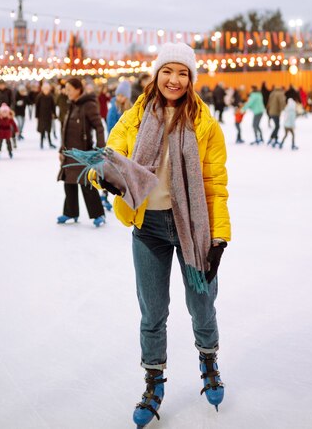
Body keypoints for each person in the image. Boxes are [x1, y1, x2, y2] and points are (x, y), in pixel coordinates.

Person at [91, 42, 230, 427]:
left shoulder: (205, 124)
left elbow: (215, 185)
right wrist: (105, 176)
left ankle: (208, 360)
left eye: (183, 73)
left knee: (202, 305)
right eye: (168, 71)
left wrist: (219, 237)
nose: (174, 79)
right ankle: (154, 381)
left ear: (191, 79)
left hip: (192, 227)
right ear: (156, 74)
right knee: (153, 313)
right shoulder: (134, 117)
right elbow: (110, 154)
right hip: (148, 228)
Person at [57, 78, 106, 227]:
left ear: (78, 89)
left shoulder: (88, 105)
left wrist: (99, 149)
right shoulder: (72, 104)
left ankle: (98, 214)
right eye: (66, 89)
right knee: (69, 184)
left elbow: (99, 127)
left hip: (84, 153)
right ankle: (70, 212)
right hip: (69, 152)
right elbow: (66, 129)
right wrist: (61, 149)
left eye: (69, 89)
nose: (67, 92)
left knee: (87, 184)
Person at [36, 82, 57, 149]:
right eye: (45, 89)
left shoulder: (51, 96)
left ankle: (50, 143)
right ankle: (41, 143)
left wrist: (54, 114)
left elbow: (53, 106)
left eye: (47, 89)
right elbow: (37, 106)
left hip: (48, 116)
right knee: (42, 130)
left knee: (48, 130)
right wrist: (37, 116)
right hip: (41, 116)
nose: (46, 90)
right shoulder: (39, 96)